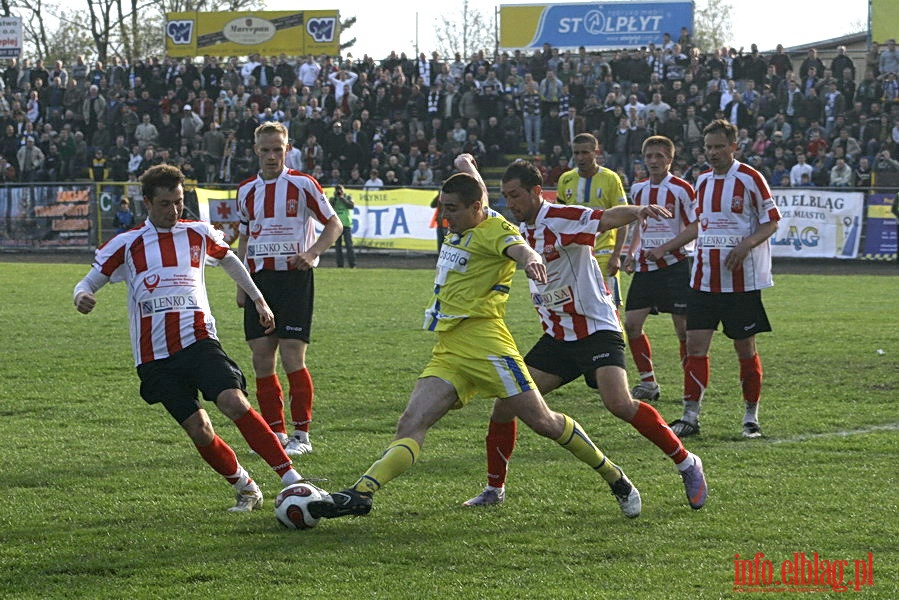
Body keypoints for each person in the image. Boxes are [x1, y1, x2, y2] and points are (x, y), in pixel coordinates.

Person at [307, 162, 643, 520]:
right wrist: (466, 165)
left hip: (487, 345)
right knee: (410, 422)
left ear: (474, 207)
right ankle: (362, 493)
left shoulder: (496, 229)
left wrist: (531, 260)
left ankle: (615, 477)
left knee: (543, 423)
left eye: (452, 208)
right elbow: (478, 195)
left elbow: (519, 247)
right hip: (449, 347)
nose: (445, 216)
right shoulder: (462, 228)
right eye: (443, 207)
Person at [460, 155, 707, 511]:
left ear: (535, 191)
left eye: (515, 196)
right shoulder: (514, 229)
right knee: (506, 405)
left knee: (618, 403)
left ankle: (687, 462)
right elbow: (479, 198)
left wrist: (637, 211)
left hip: (595, 328)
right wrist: (467, 163)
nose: (509, 204)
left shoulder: (560, 218)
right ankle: (494, 489)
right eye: (506, 197)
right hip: (558, 336)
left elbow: (605, 217)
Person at [72, 164, 305, 512]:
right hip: (155, 358)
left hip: (198, 341)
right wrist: (81, 297)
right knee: (200, 430)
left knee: (234, 402)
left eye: (179, 201)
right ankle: (245, 486)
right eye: (165, 203)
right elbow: (88, 282)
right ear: (148, 203)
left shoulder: (197, 233)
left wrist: (257, 299)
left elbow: (230, 260)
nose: (174, 210)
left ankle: (293, 480)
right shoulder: (128, 243)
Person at [236, 121, 343, 456]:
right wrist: (242, 284)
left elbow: (334, 224)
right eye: (265, 150)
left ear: (287, 149)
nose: (271, 156)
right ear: (256, 150)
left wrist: (312, 253)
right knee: (261, 358)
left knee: (293, 355)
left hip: (294, 278)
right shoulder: (246, 191)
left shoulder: (303, 184)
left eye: (277, 149)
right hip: (259, 282)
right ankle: (275, 434)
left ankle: (302, 435)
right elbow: (244, 237)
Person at [669, 120, 781, 439]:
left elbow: (771, 222)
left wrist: (746, 245)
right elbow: (699, 226)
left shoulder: (750, 178)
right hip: (703, 280)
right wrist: (668, 247)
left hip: (740, 284)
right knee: (694, 346)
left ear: (734, 146)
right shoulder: (702, 181)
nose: (713, 153)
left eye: (719, 146)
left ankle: (750, 417)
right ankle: (690, 416)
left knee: (744, 348)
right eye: (708, 147)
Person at [622, 136, 699, 403]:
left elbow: (695, 227)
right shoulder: (639, 189)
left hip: (675, 267)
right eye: (649, 156)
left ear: (670, 159)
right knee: (631, 325)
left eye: (659, 156)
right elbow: (638, 226)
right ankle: (648, 383)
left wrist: (665, 248)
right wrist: (630, 253)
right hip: (645, 267)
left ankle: (691, 387)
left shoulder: (681, 189)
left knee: (684, 332)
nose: (653, 161)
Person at [555, 133, 628, 306]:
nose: (580, 158)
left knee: (609, 306)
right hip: (574, 253)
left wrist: (617, 255)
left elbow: (623, 218)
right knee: (576, 306)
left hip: (603, 253)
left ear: (596, 152)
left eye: (585, 152)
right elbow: (559, 219)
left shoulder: (610, 178)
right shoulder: (565, 179)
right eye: (576, 153)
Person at [330, 183, 356, 268]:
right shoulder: (333, 199)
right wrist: (335, 198)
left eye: (340, 189)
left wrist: (342, 198)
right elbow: (329, 207)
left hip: (347, 224)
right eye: (337, 190)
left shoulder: (348, 197)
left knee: (349, 245)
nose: (339, 191)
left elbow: (351, 206)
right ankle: (340, 265)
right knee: (338, 246)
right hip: (337, 225)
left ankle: (352, 264)